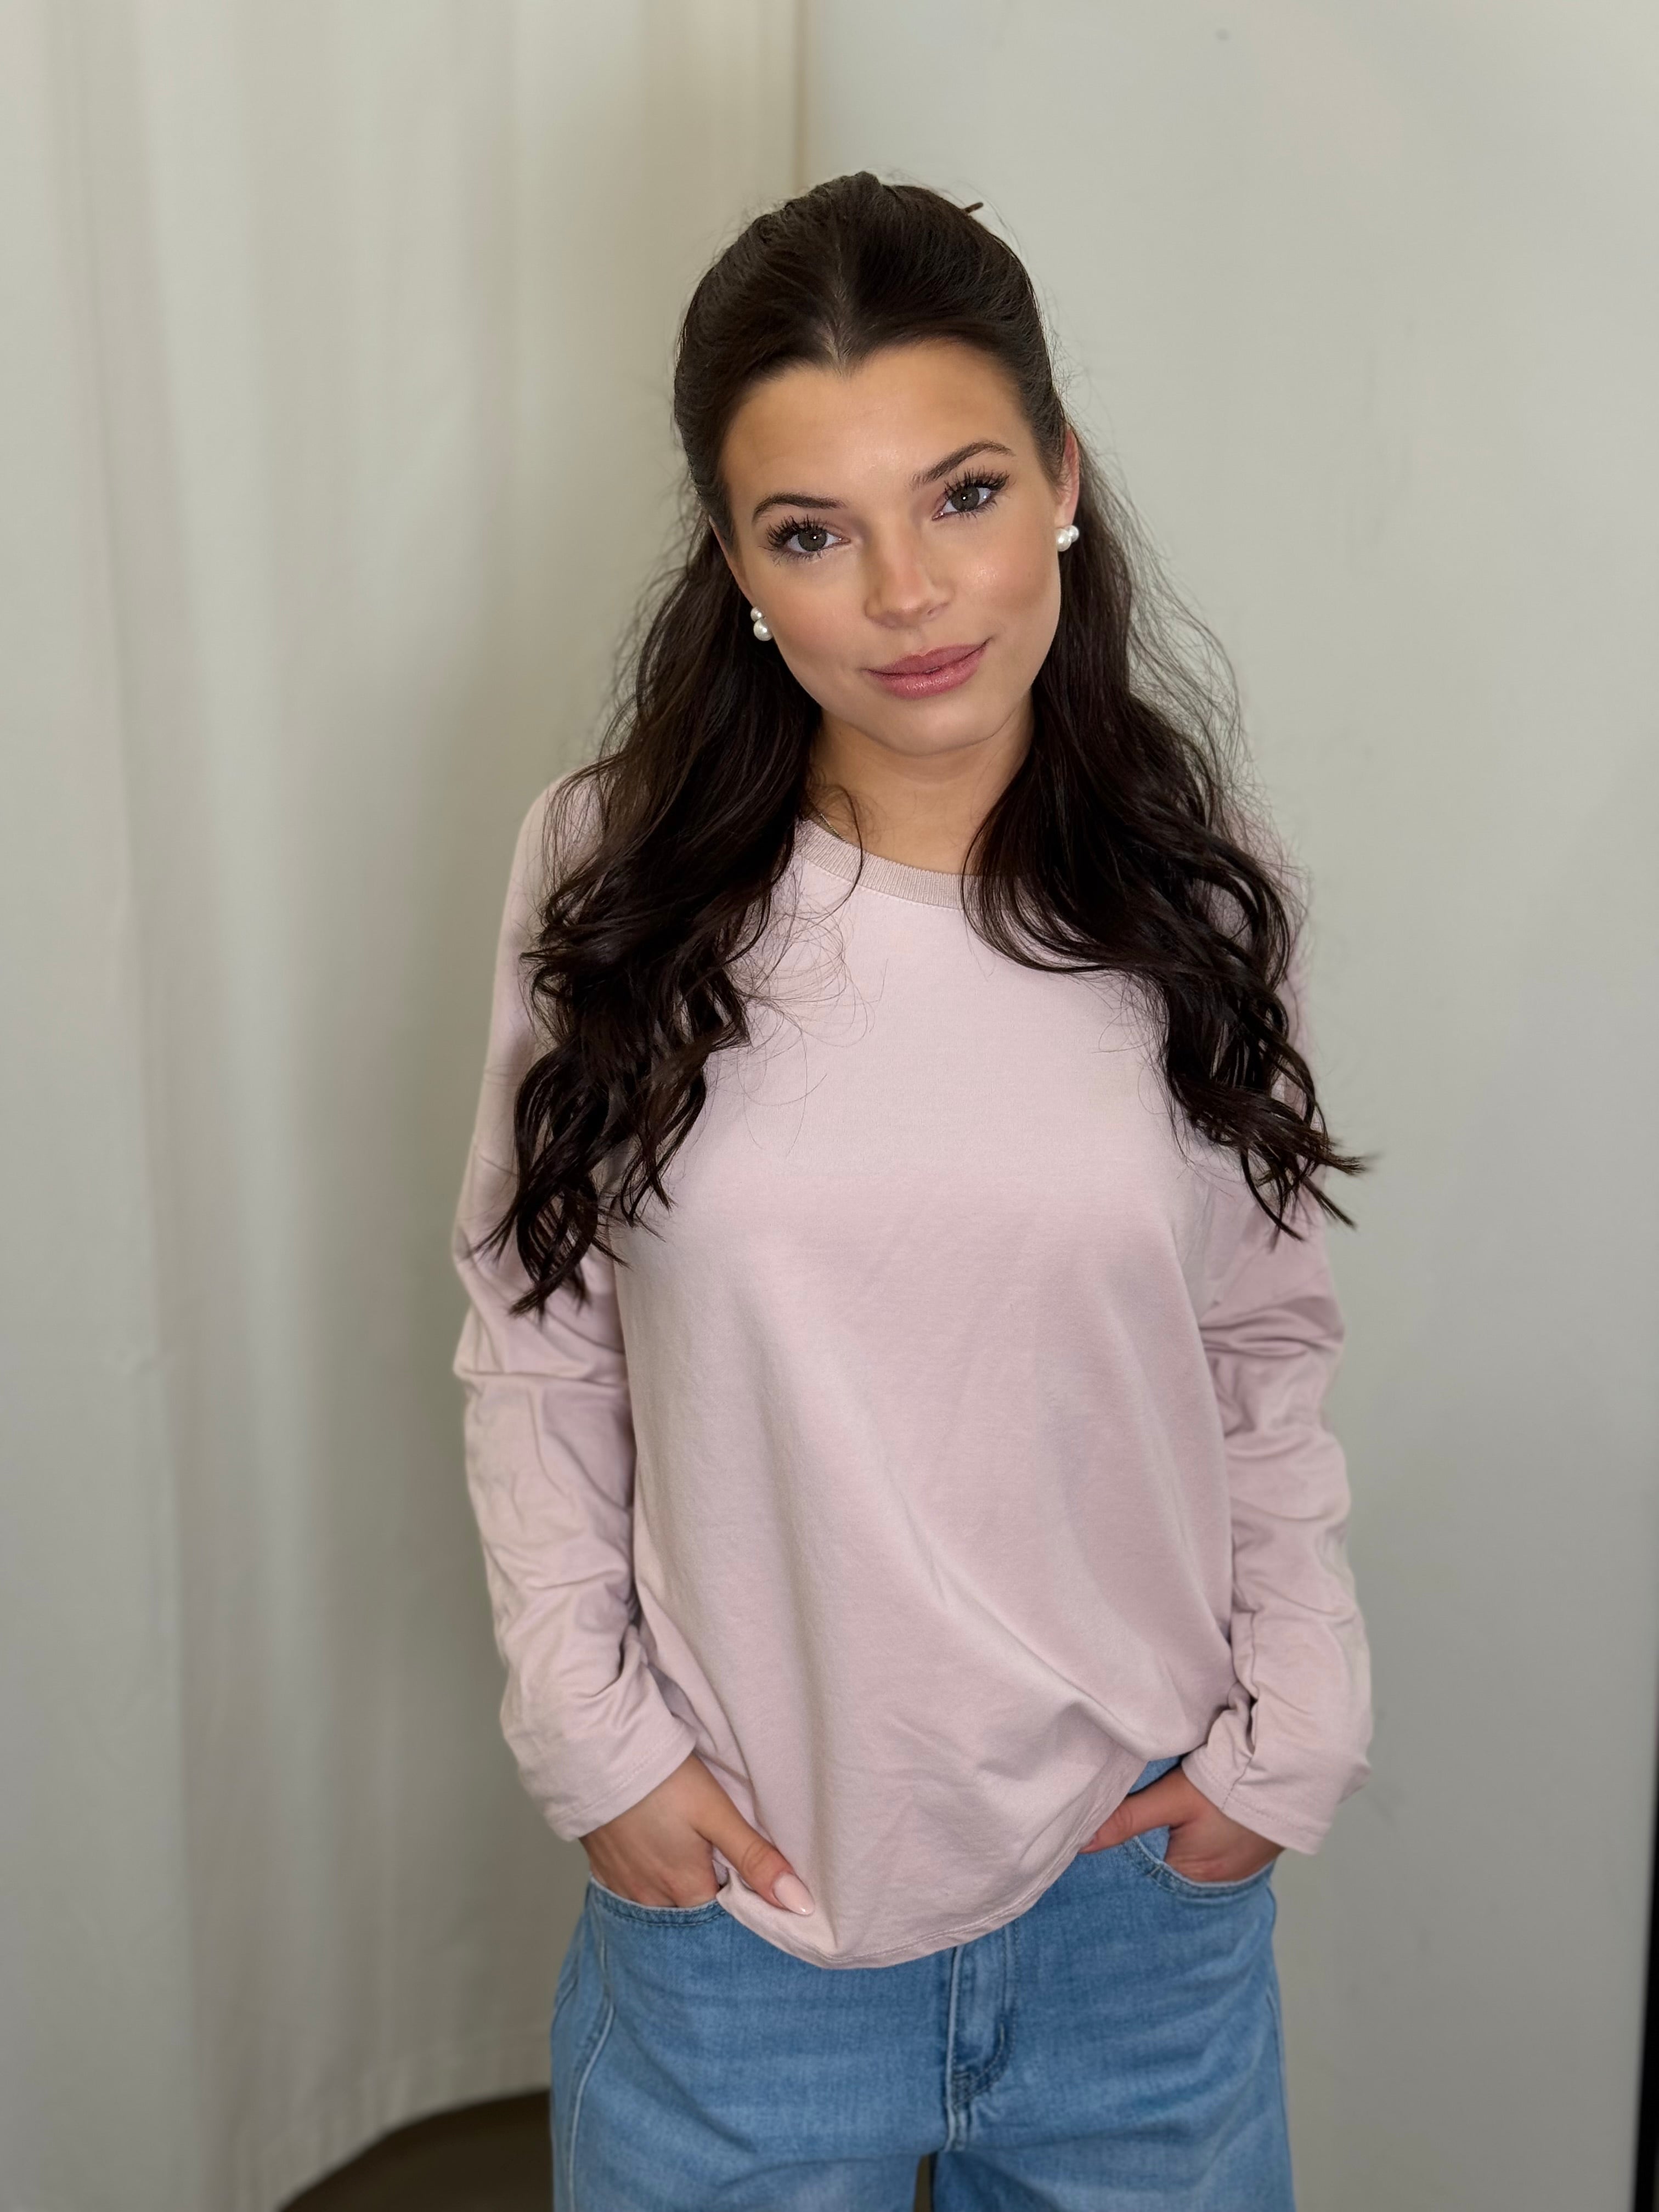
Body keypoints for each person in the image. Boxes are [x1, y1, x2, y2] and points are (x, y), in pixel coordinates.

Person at [450, 171, 1373, 2211]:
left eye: (962, 495)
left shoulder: (1204, 888)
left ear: (1063, 480)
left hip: (1139, 1893)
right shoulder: (612, 877)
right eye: (813, 531)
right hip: (747, 1909)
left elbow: (1261, 1342)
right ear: (736, 567)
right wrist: (594, 1741)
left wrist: (1298, 1716)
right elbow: (539, 1345)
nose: (909, 592)